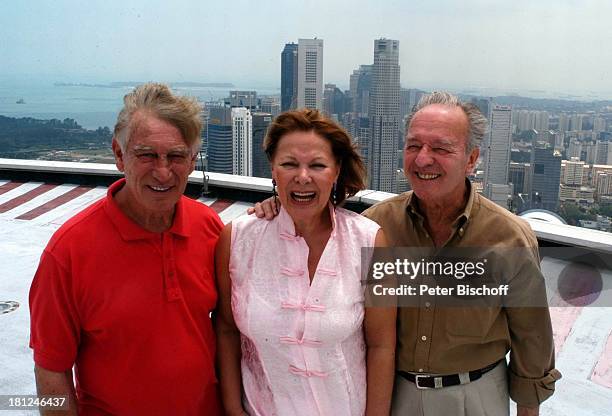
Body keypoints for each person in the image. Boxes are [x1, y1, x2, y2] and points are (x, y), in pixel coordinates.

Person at [251, 92, 561, 416]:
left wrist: (529, 408)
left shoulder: (508, 237)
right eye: (413, 146)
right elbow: (318, 224)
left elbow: (532, 336)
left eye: (440, 148)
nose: (423, 159)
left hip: (475, 395)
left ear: (471, 159)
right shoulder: (376, 227)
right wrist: (278, 207)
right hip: (392, 393)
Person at [29, 83, 223, 415]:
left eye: (175, 156)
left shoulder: (210, 228)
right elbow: (51, 369)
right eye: (146, 154)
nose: (162, 171)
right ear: (119, 156)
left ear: (192, 161)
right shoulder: (68, 253)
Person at [215, 109, 396, 415]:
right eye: (289, 164)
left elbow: (382, 346)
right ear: (273, 169)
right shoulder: (237, 240)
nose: (302, 177)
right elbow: (226, 330)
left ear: (336, 171)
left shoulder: (369, 240)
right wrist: (233, 409)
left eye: (317, 165)